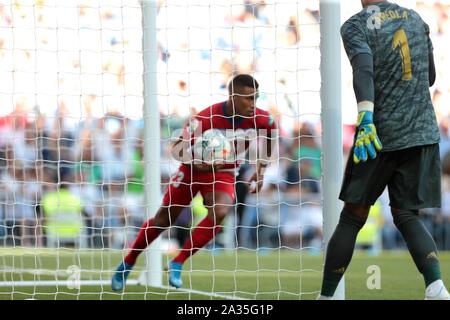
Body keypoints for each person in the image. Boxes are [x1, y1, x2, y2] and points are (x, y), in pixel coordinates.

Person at [318, 0, 450, 300]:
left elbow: (362, 68)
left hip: (380, 133)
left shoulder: (356, 24)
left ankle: (326, 297)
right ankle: (436, 288)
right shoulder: (416, 18)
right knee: (407, 214)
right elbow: (429, 77)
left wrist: (365, 114)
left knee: (352, 216)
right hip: (422, 132)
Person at [111, 74, 277, 291]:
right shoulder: (205, 119)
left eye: (255, 98)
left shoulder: (262, 118)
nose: (253, 104)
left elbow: (270, 133)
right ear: (233, 97)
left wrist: (261, 170)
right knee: (163, 219)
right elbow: (177, 149)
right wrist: (201, 165)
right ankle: (129, 261)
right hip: (191, 171)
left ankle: (177, 262)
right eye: (248, 98)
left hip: (224, 172)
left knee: (220, 211)